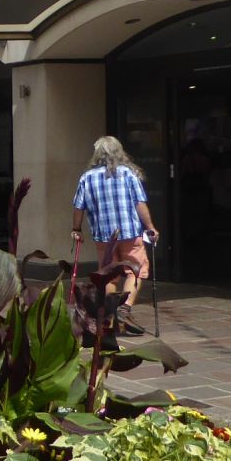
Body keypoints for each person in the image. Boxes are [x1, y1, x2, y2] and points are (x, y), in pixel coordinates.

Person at [72, 136, 159, 336]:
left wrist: (76, 229)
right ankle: (124, 308)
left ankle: (110, 315)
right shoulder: (128, 174)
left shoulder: (87, 177)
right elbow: (140, 203)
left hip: (104, 236)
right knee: (136, 270)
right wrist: (150, 227)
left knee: (109, 276)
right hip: (129, 232)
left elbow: (78, 206)